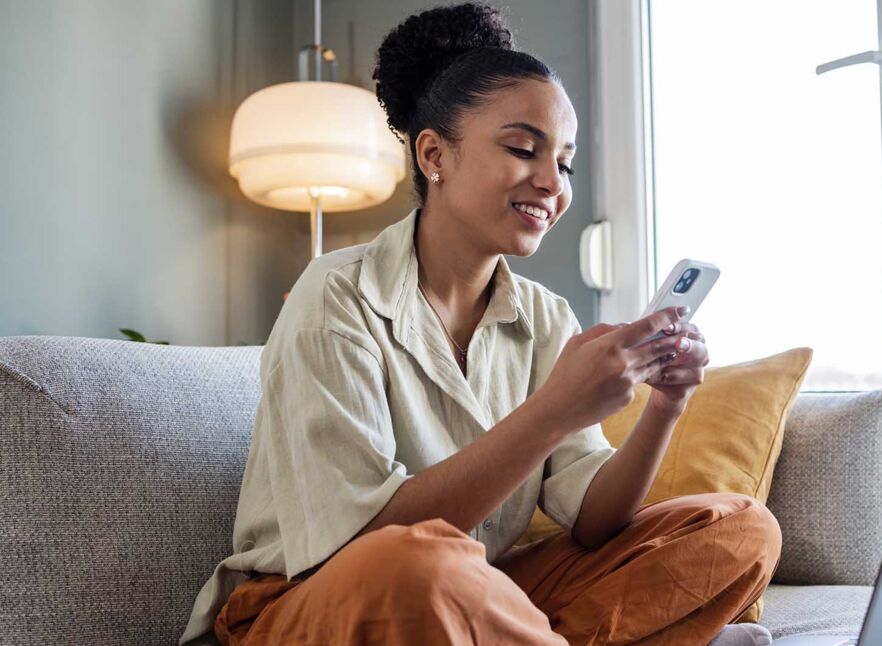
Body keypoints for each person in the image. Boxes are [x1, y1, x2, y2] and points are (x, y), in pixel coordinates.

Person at [178, 3, 781, 644]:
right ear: (434, 154)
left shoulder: (546, 318)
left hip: (472, 588)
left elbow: (594, 520)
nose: (552, 182)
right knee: (420, 567)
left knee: (740, 527)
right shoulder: (336, 296)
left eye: (566, 163)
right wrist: (553, 411)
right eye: (523, 149)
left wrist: (665, 406)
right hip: (314, 602)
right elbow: (358, 546)